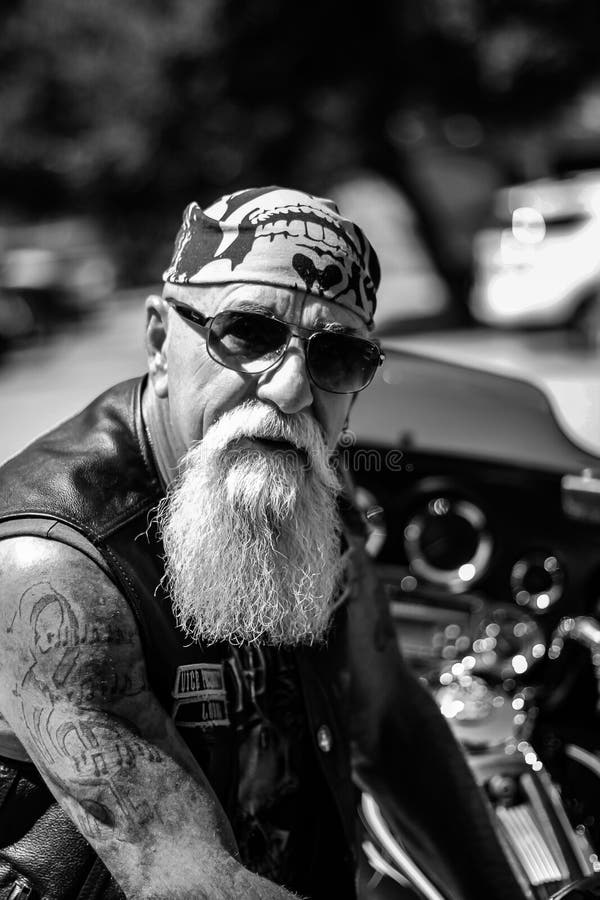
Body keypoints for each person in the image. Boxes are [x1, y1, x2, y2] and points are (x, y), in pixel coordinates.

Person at [0, 187, 525, 900]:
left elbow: (389, 717)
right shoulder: (51, 565)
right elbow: (181, 877)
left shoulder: (300, 473)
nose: (289, 389)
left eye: (337, 356)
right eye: (247, 332)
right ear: (159, 340)